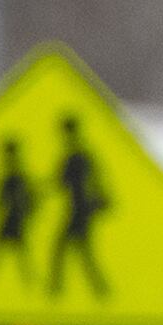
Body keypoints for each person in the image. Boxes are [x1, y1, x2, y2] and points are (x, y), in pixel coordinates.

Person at [48, 114, 113, 301]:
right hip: (79, 209)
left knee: (68, 250)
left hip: (80, 209)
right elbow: (62, 182)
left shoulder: (77, 156)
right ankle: (98, 290)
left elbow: (65, 181)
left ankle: (56, 290)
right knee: (79, 251)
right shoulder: (76, 154)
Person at [0, 135, 38, 290]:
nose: (4, 158)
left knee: (15, 254)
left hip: (14, 219)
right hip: (9, 218)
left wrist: (26, 216)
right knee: (2, 252)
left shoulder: (17, 176)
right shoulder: (8, 175)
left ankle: (30, 285)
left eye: (7, 153)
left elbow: (29, 199)